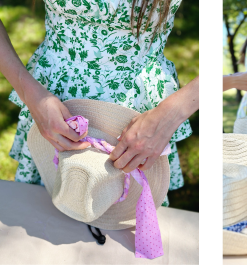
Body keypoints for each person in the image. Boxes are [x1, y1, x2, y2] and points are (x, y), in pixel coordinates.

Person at [0, 0, 198, 207]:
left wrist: (173, 112)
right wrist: (30, 93)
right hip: (53, 101)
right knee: (47, 215)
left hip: (141, 113)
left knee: (120, 222)